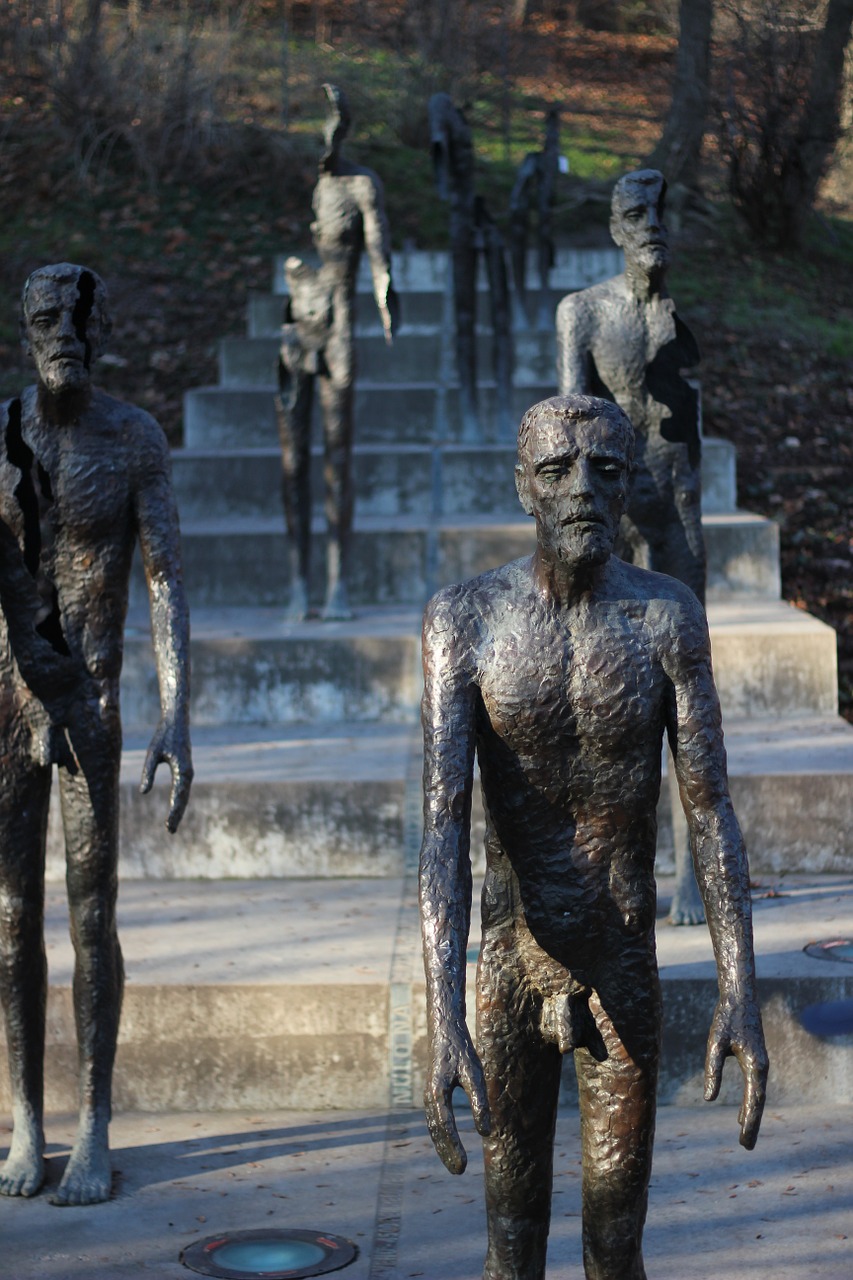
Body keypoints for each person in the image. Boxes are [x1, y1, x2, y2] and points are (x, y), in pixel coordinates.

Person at [419, 394, 768, 1280]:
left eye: (603, 470)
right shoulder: (463, 620)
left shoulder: (664, 616)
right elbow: (442, 824)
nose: (580, 489)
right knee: (511, 1241)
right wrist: (442, 1009)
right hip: (508, 959)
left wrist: (739, 984)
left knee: (616, 1246)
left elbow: (710, 808)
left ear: (629, 486)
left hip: (620, 962)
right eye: (556, 470)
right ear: (522, 488)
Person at [0, 263, 193, 1205]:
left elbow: (164, 579)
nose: (63, 334)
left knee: (90, 917)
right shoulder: (2, 437)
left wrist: (178, 710)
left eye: (78, 317)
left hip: (93, 704)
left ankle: (94, 1126)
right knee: (8, 923)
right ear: (27, 327)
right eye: (46, 318)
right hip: (6, 703)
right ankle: (25, 1125)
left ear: (100, 326)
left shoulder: (133, 438)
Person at [556, 168, 706, 925]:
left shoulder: (682, 319)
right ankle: (606, 866)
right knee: (604, 694)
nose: (650, 225)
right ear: (614, 230)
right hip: (612, 520)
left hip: (678, 517)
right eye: (634, 214)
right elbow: (569, 427)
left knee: (687, 697)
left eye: (657, 212)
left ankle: (690, 868)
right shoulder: (582, 313)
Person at [276, 83, 398, 621]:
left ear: (341, 128)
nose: (322, 144)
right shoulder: (322, 188)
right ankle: (298, 584)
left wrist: (387, 297)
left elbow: (379, 254)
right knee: (294, 463)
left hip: (340, 331)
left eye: (331, 127)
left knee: (337, 459)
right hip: (298, 330)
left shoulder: (361, 185)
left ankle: (337, 584)